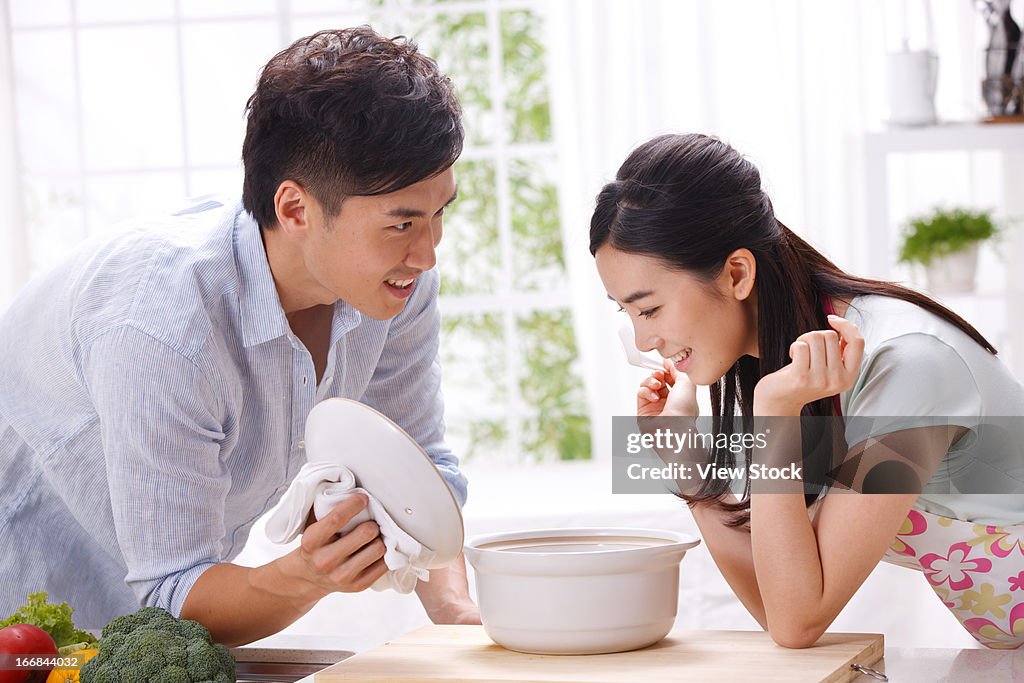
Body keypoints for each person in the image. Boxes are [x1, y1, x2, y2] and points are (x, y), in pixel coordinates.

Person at [0, 26, 480, 647]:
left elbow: (417, 476)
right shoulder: (163, 324)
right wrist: (305, 576)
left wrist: (461, 619)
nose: (428, 253)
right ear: (296, 209)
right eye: (403, 223)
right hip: (22, 604)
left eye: (440, 213)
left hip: (139, 632)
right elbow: (174, 598)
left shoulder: (393, 286)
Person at [590, 133, 1024, 649]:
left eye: (649, 309)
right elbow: (779, 605)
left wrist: (775, 411)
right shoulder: (785, 361)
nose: (644, 340)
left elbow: (798, 620)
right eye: (627, 312)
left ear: (737, 273)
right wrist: (687, 464)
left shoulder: (909, 369)